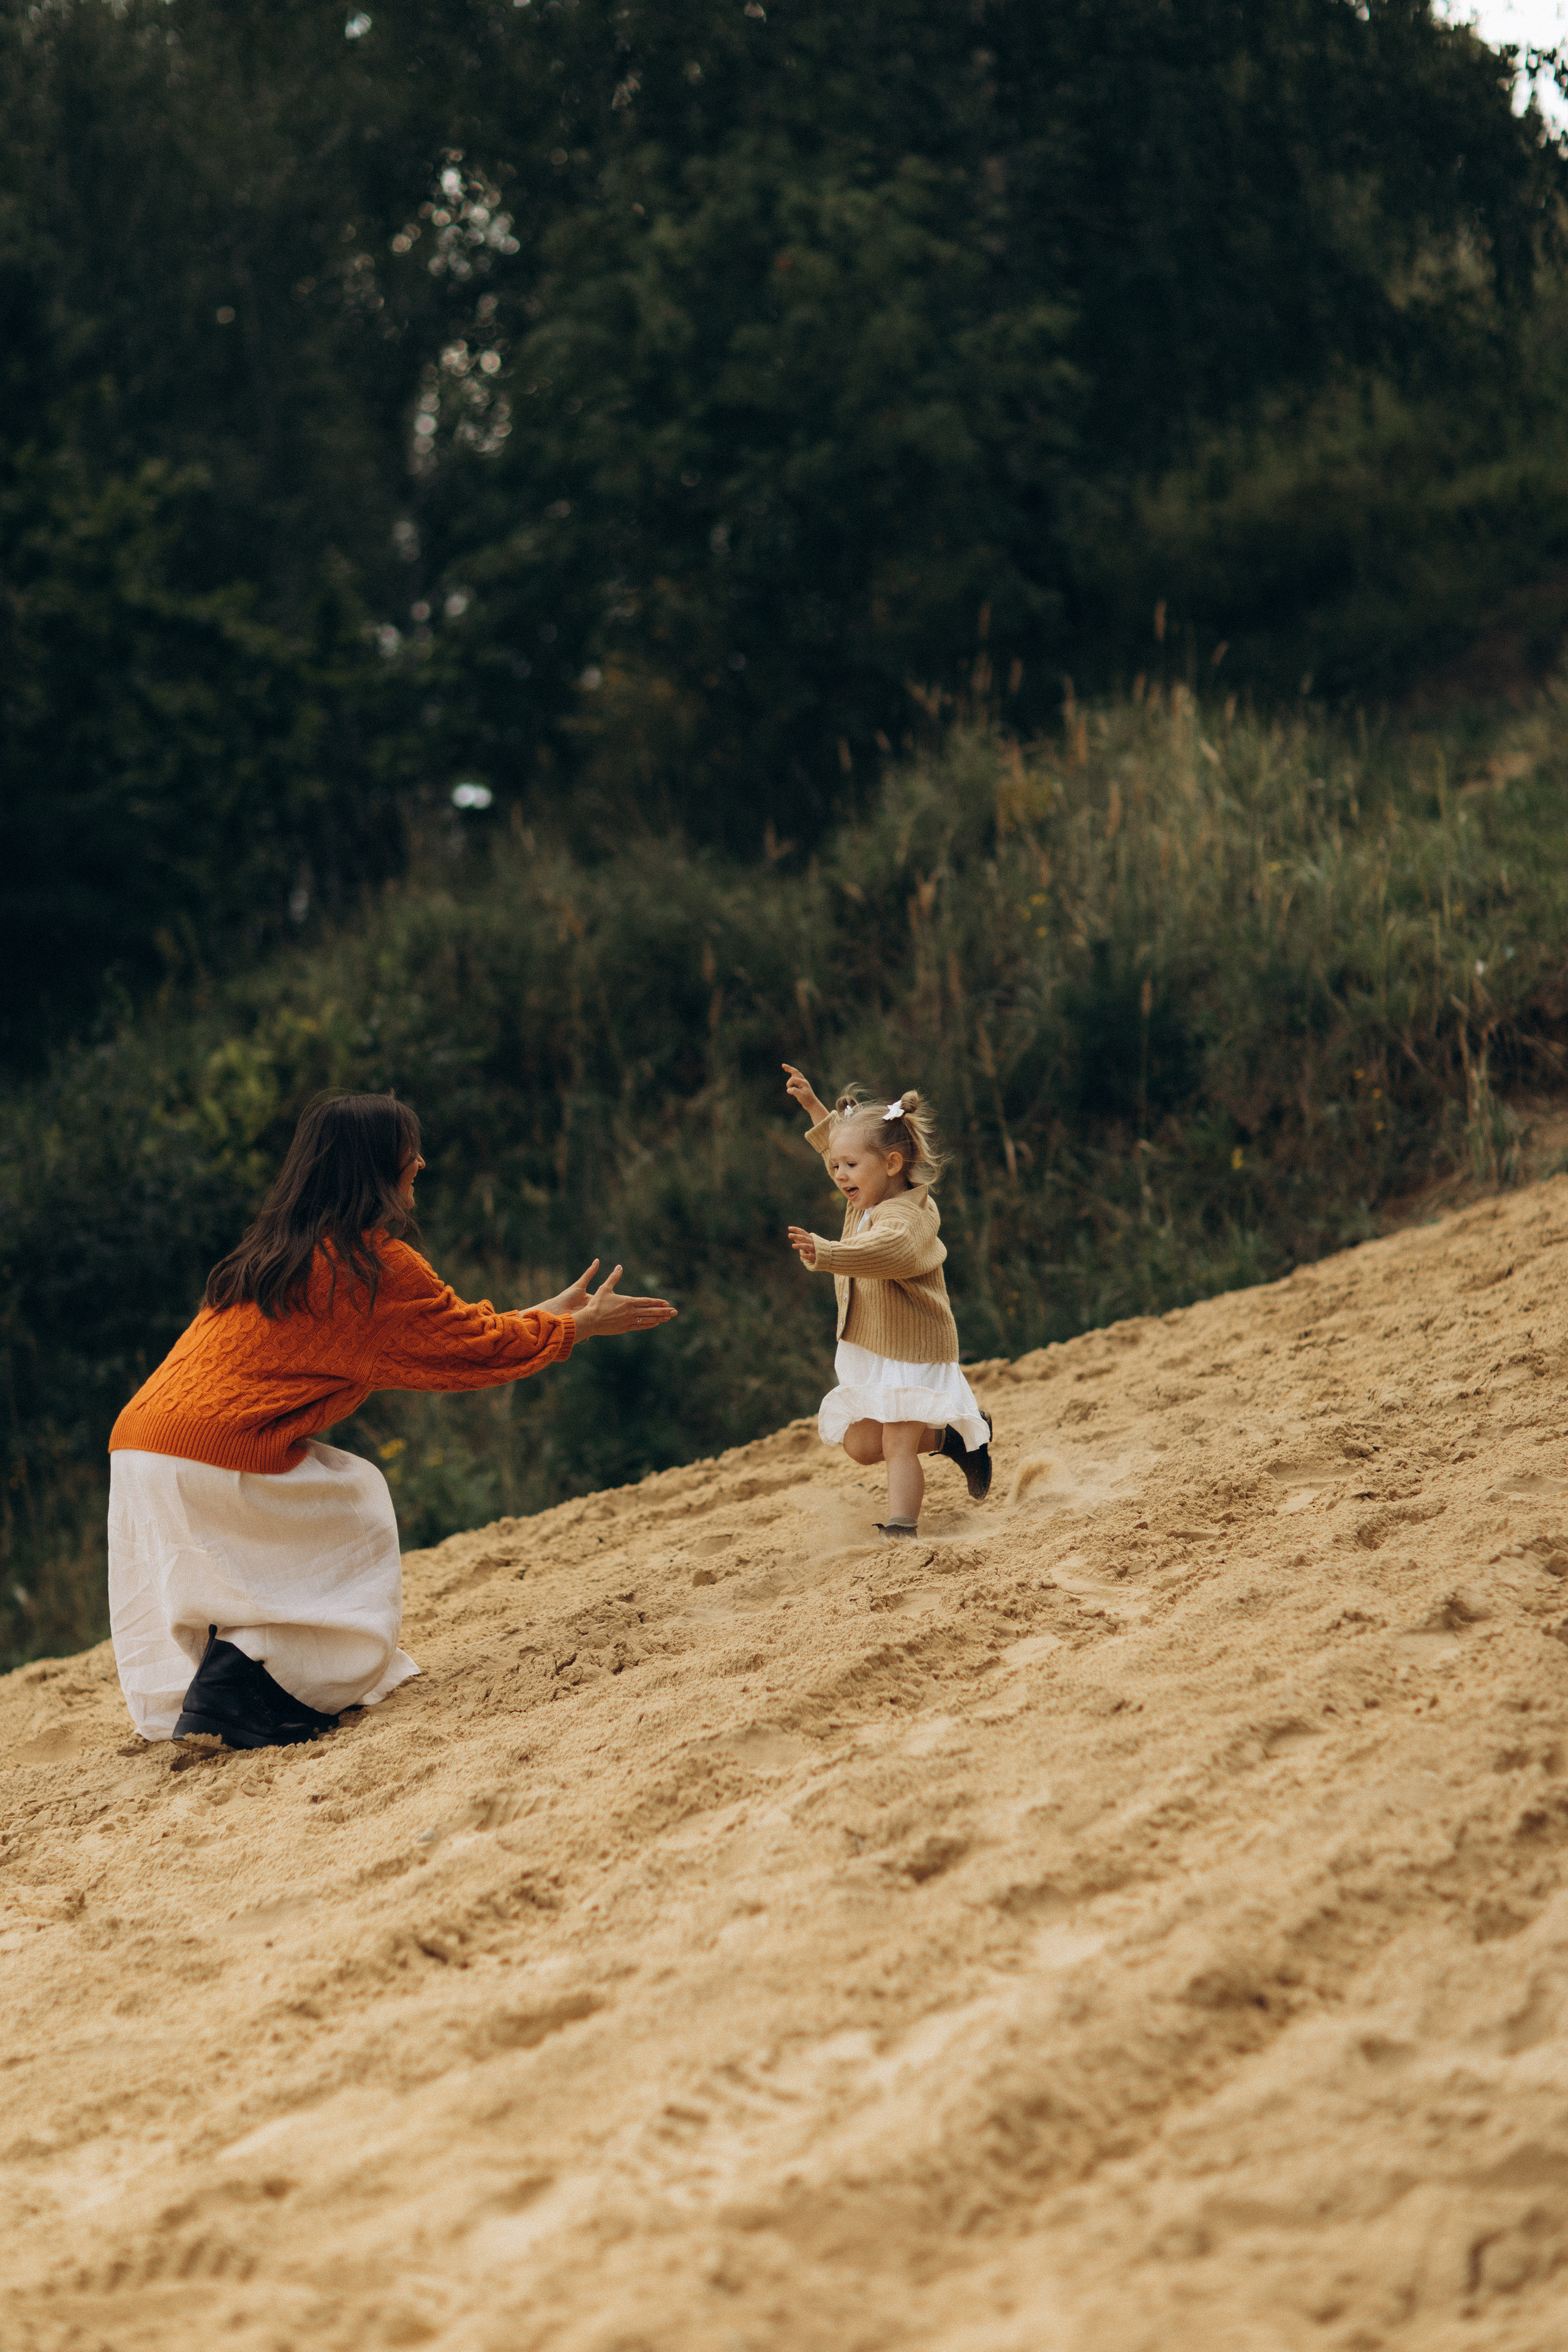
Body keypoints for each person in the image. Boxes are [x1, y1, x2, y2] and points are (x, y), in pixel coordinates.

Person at [107, 1091, 675, 1750]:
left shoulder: (274, 1253)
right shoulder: (371, 1265)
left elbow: (455, 1333)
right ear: (377, 1164)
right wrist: (577, 1327)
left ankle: (223, 1690)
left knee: (280, 1545)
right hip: (217, 1449)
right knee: (354, 1507)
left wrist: (552, 1315)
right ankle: (241, 1690)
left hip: (142, 1447)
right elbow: (473, 1351)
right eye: (409, 1151)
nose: (422, 1162)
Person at [783, 1065, 992, 1537]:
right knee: (861, 1444)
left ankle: (902, 1529)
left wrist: (829, 1253)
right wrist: (816, 1109)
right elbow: (846, 1150)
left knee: (898, 1443)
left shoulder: (907, 1216)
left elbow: (888, 1251)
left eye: (849, 1167)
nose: (839, 1175)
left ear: (893, 1165)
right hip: (876, 1343)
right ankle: (954, 1437)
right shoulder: (867, 1195)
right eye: (836, 1166)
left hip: (915, 1346)